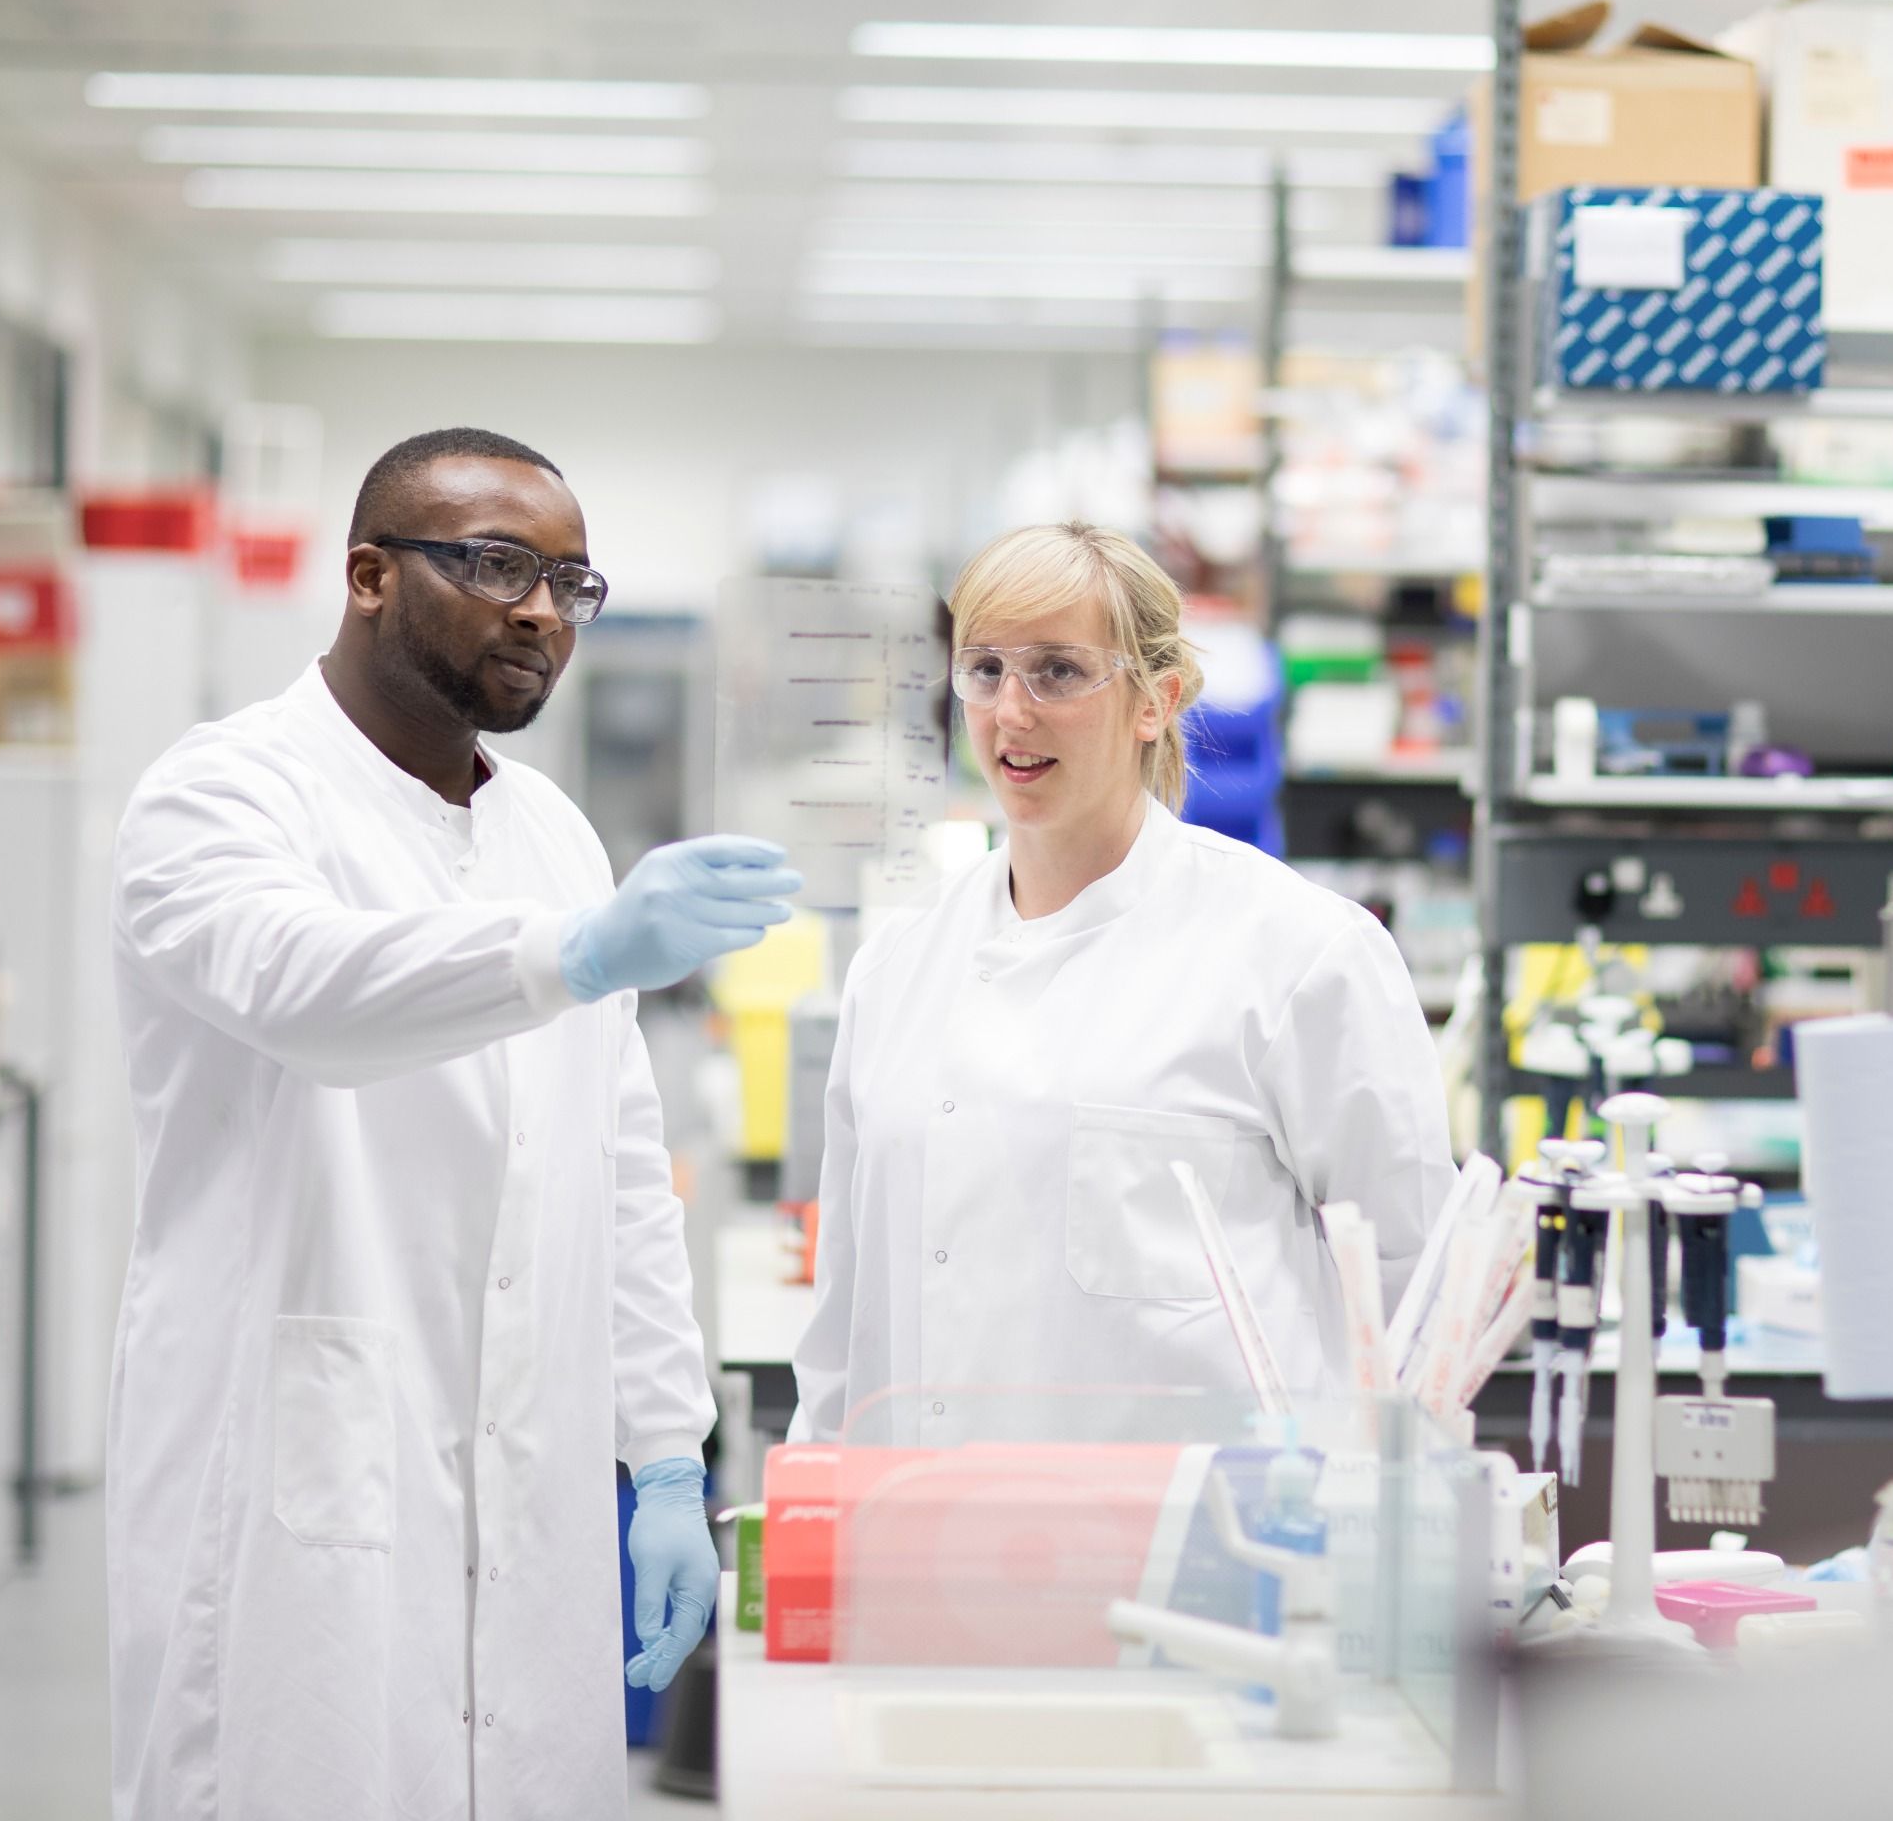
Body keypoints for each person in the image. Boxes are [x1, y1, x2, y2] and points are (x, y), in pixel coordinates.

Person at [106, 427, 800, 1820]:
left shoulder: (549, 834)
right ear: (368, 574)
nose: (542, 610)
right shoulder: (222, 794)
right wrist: (576, 955)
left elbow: (617, 1170)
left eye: (570, 581)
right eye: (497, 565)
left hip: (525, 1480)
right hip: (292, 1471)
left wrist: (671, 1450)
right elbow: (308, 991)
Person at [791, 520, 1453, 1445]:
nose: (1011, 713)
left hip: (1202, 1559)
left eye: (1058, 671)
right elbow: (845, 1319)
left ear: (1157, 698)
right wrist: (818, 1521)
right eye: (984, 670)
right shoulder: (898, 969)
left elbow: (1418, 1295)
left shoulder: (1299, 953)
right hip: (927, 1547)